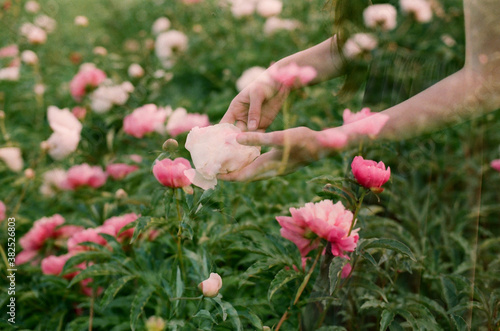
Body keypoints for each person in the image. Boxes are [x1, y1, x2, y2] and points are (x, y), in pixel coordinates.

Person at [218, 0, 500, 182]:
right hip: (383, 141)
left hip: (464, 158)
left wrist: (330, 140)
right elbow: (377, 35)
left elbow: (489, 80)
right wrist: (279, 76)